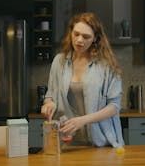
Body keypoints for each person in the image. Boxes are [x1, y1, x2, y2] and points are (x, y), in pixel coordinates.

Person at [41, 12, 124, 147]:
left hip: (102, 141)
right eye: (76, 34)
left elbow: (114, 106)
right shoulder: (59, 62)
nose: (79, 40)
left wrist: (82, 121)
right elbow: (50, 95)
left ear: (95, 38)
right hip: (68, 140)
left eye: (86, 37)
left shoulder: (107, 64)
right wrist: (48, 104)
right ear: (71, 33)